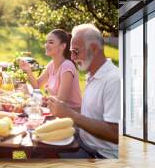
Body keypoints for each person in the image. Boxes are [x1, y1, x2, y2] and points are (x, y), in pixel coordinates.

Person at [47, 24, 120, 159]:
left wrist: (71, 115)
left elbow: (116, 134)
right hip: (82, 141)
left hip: (100, 155)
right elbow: (92, 114)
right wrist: (61, 109)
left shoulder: (114, 80)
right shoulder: (92, 75)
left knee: (43, 157)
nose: (73, 58)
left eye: (76, 51)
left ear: (93, 48)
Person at [19, 29, 82, 112]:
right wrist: (28, 70)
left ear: (63, 46)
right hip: (56, 110)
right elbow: (37, 85)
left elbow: (61, 101)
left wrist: (43, 99)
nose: (46, 45)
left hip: (72, 114)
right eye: (46, 42)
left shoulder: (67, 66)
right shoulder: (51, 64)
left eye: (51, 42)